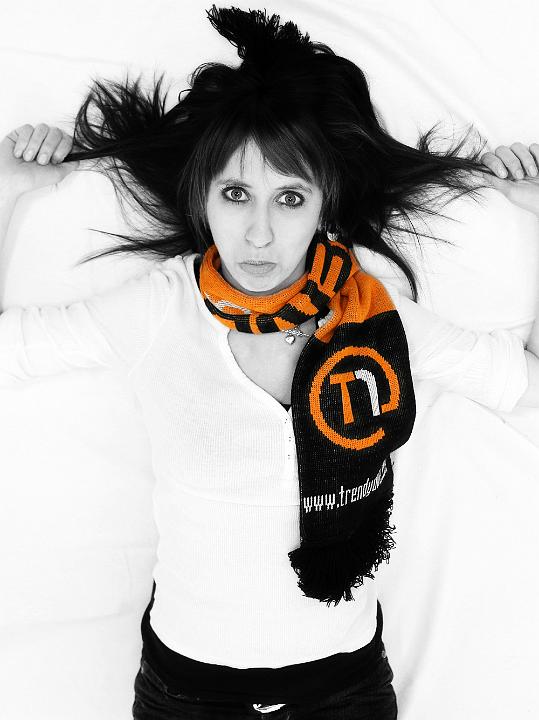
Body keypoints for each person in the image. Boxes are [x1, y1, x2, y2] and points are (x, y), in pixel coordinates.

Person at [0, 5, 538, 719]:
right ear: (203, 199)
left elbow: (523, 385)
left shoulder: (375, 319)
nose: (258, 233)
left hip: (343, 690)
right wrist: (9, 191)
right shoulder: (161, 309)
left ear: (323, 207)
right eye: (235, 194)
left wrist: (536, 218)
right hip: (187, 693)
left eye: (289, 198)